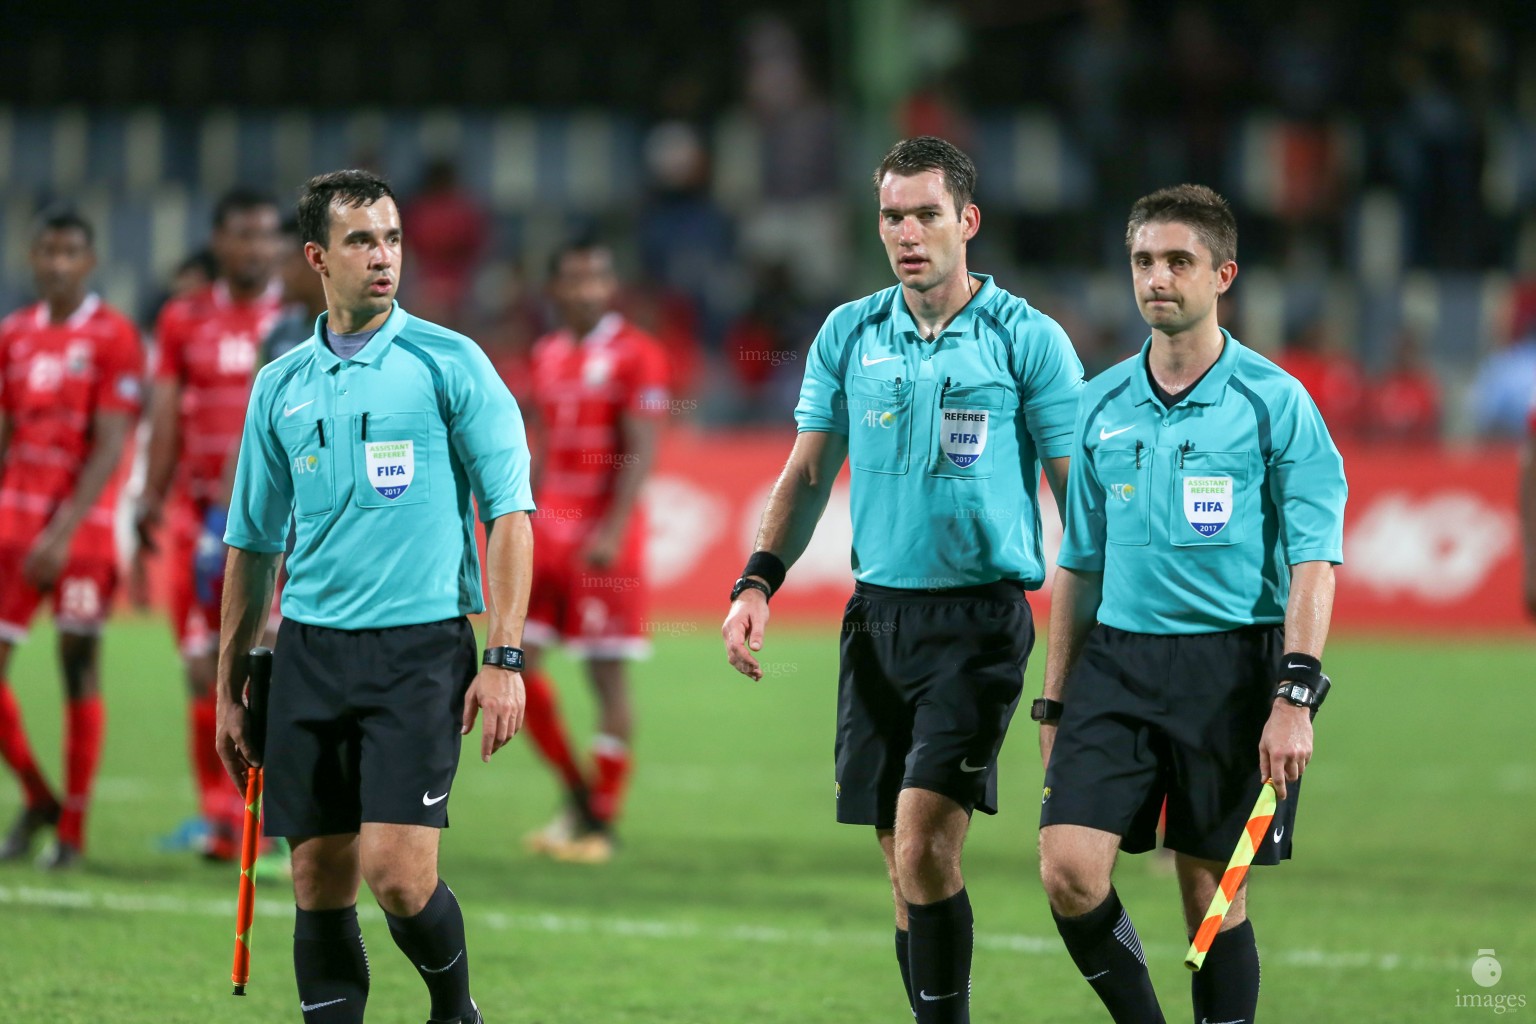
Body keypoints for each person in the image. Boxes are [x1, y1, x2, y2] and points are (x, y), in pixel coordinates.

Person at [722, 136, 1084, 1023]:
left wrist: (1111, 632)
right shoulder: (849, 334)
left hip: (981, 622)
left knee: (924, 845)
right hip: (877, 622)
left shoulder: (1028, 339)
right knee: (902, 864)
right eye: (892, 215)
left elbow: (1084, 502)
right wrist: (757, 581)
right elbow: (808, 473)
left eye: (927, 214)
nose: (908, 232)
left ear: (968, 221)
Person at [215, 169, 534, 1024]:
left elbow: (511, 513)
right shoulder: (278, 385)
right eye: (361, 240)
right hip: (309, 652)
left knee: (397, 874)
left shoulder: (451, 361)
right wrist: (227, 688)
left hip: (419, 652)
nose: (383, 256)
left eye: (392, 238)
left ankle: (454, 1011)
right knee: (318, 880)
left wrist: (503, 656)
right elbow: (250, 545)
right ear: (318, 256)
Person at [1037, 184, 1347, 1024]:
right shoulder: (1097, 403)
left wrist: (1294, 696)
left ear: (1224, 275)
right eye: (1143, 260)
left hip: (1234, 667)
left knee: (1209, 896)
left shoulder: (1274, 402)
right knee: (1068, 869)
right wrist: (1055, 698)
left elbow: (1314, 559)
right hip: (1117, 661)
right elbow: (1079, 561)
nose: (1156, 278)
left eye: (1179, 261)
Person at [137, 187, 283, 860]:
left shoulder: (300, 316)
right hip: (199, 519)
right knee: (201, 668)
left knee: (275, 669)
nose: (254, 247)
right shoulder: (182, 319)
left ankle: (282, 819)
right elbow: (167, 414)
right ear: (219, 243)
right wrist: (151, 494)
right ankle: (221, 818)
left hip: (284, 525)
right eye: (242, 235)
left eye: (265, 235)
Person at [518, 237, 669, 864]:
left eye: (598, 278)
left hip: (607, 540)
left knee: (605, 676)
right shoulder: (548, 353)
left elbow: (641, 448)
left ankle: (599, 820)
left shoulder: (638, 355)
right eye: (574, 279)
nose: (586, 291)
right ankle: (579, 801)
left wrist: (610, 530)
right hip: (548, 533)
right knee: (514, 665)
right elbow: (545, 442)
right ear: (555, 288)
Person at [0, 210, 142, 868]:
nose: (58, 263)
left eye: (71, 253)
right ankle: (38, 796)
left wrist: (60, 532)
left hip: (78, 533)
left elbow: (110, 444)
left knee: (77, 666)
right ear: (34, 257)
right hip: (13, 525)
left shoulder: (114, 337)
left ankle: (73, 832)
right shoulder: (13, 335)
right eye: (49, 251)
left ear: (90, 261)